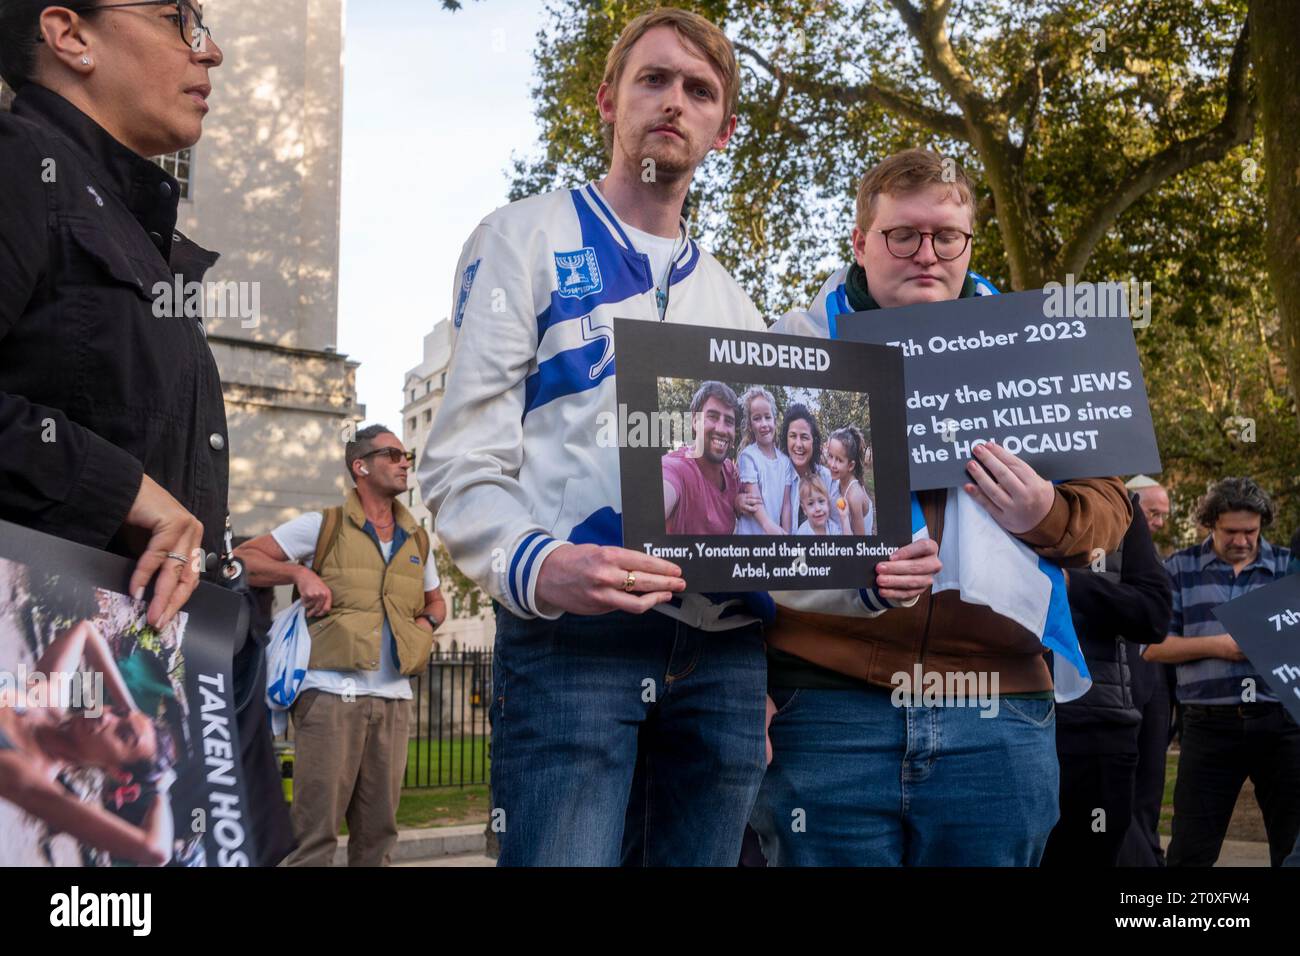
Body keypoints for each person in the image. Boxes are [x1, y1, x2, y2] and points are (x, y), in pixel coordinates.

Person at [417, 8, 939, 867]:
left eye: (699, 90)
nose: (674, 102)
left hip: (724, 660)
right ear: (606, 100)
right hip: (574, 643)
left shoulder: (735, 306)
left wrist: (871, 581)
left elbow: (772, 533)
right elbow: (460, 461)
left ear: (724, 130)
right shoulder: (522, 239)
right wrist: (539, 565)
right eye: (652, 79)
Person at [750, 149, 1132, 866]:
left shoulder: (1039, 348)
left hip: (999, 707)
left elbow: (1111, 513)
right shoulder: (781, 349)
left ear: (968, 245)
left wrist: (1045, 514)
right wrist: (747, 681)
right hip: (825, 705)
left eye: (946, 236)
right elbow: (729, 538)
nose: (927, 253)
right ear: (860, 242)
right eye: (903, 234)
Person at [0, 1, 293, 866]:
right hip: (60, 709)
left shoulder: (133, 225)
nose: (214, 50)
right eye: (178, 17)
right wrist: (120, 488)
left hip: (182, 681)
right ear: (70, 35)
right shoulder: (18, 168)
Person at [235, 426, 445, 867]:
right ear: (361, 466)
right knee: (314, 837)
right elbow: (245, 560)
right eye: (393, 454)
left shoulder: (417, 539)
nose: (405, 461)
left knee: (378, 840)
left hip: (393, 700)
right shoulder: (322, 525)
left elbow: (436, 601)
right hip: (328, 697)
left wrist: (424, 627)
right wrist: (299, 574)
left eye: (405, 454)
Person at [1147, 476, 1299, 866]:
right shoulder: (1179, 568)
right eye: (1230, 531)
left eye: (1250, 531)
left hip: (1280, 726)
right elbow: (1153, 647)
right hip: (1207, 727)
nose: (1242, 540)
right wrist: (1220, 646)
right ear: (1210, 523)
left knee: (1292, 845)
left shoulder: (1287, 566)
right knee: (1190, 850)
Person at [1040, 494, 1172, 867]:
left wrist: (1070, 584)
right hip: (993, 722)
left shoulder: (1121, 507)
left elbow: (1154, 615)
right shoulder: (973, 495)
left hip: (1093, 730)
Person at [0, 619, 174, 866]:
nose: (105, 715)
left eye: (123, 734)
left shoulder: (30, 774)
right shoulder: (47, 699)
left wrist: (160, 789)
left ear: (117, 771)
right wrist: (130, 710)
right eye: (117, 712)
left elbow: (155, 851)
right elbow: (86, 631)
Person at [1117, 474, 1178, 867]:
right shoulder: (1108, 542)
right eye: (1152, 513)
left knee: (1151, 778)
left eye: (1163, 515)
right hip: (1120, 677)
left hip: (1156, 680)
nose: (1157, 522)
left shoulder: (1158, 555)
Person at [662, 381, 741, 535]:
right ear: (694, 421)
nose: (721, 429)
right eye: (712, 416)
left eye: (729, 421)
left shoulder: (732, 472)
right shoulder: (674, 468)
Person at [734, 386, 791, 535]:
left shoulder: (785, 462)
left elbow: (786, 505)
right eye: (757, 418)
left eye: (767, 417)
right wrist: (769, 527)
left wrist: (786, 533)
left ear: (774, 420)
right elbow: (754, 501)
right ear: (751, 425)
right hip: (751, 536)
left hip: (775, 537)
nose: (764, 424)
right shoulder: (748, 456)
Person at [781, 404, 839, 534]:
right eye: (793, 436)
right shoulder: (779, 476)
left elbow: (839, 524)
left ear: (814, 441)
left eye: (804, 437)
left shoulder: (828, 478)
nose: (798, 444)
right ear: (786, 439)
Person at [826, 425, 875, 536]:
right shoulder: (840, 480)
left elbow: (860, 542)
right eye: (830, 456)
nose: (832, 464)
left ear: (850, 465)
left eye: (839, 460)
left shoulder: (854, 496)